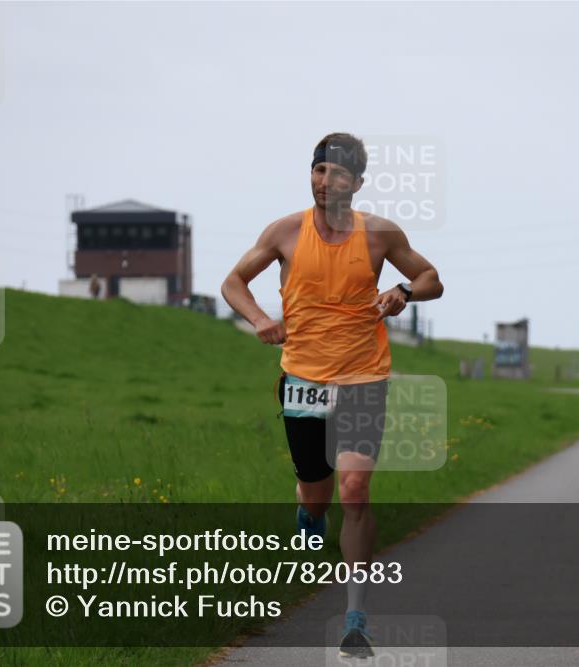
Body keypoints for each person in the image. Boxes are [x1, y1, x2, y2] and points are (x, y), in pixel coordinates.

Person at [221, 132, 443, 658]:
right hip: (303, 380)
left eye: (339, 174)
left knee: (355, 490)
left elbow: (432, 277)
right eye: (320, 170)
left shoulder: (381, 235)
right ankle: (308, 516)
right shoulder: (285, 231)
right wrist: (258, 319)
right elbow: (234, 281)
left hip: (364, 378)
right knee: (317, 494)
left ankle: (356, 617)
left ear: (358, 184)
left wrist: (403, 291)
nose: (327, 182)